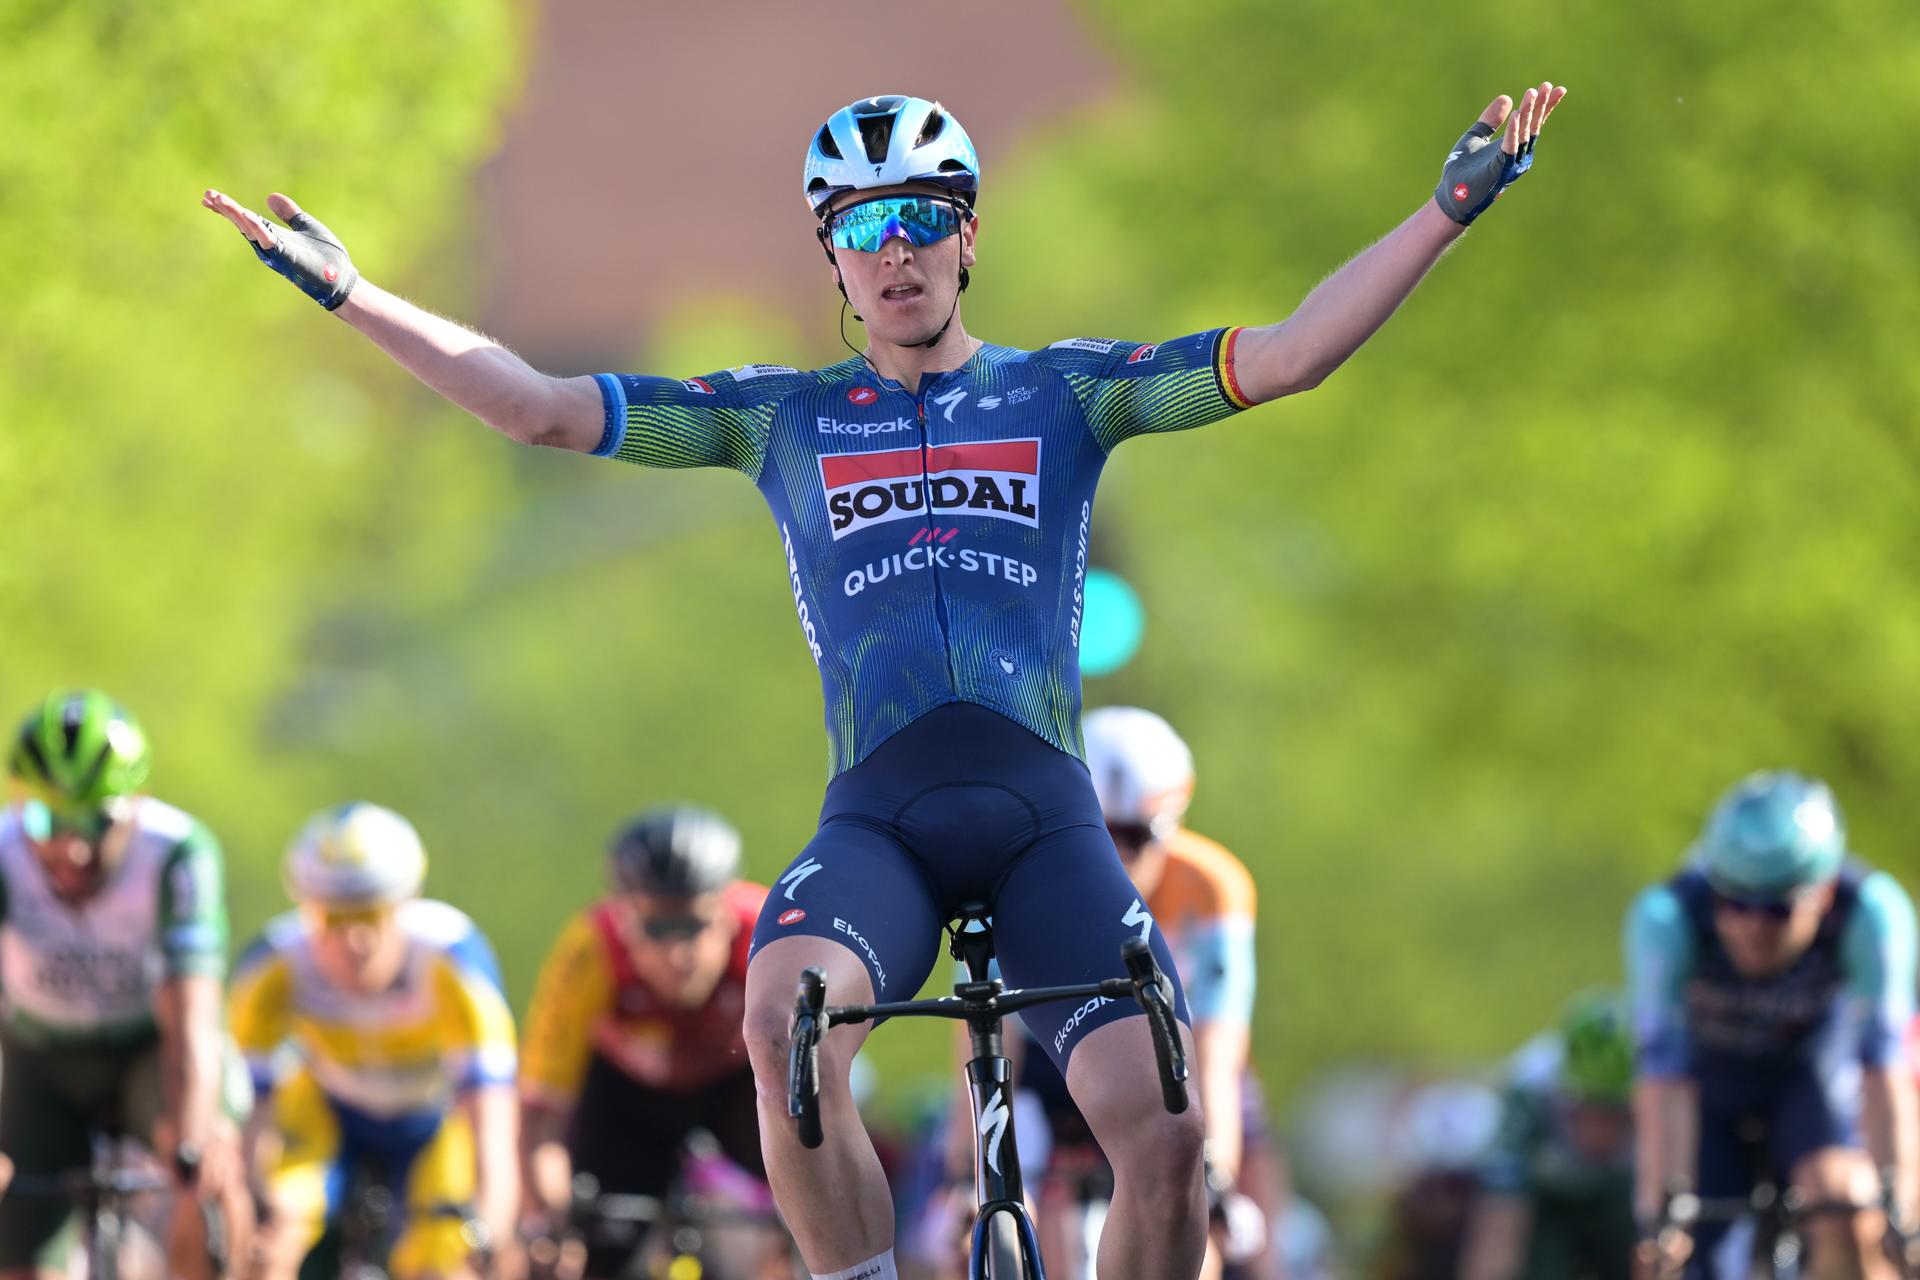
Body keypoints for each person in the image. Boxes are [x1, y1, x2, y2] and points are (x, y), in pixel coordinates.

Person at [204, 79, 1568, 1280]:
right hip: (882, 830)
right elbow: (540, 407)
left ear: (970, 235)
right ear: (835, 260)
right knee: (781, 1026)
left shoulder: (1069, 393)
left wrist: (1442, 214)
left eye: (922, 217)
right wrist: (351, 293)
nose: (896, 249)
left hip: (1046, 829)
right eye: (863, 228)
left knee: (1166, 1134)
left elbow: (1287, 356)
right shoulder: (777, 417)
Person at [991, 707, 1274, 1278]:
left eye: (1138, 836)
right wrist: (968, 1173)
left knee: (1212, 1184)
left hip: (1175, 1051)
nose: (1119, 856)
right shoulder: (1017, 879)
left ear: (1173, 822)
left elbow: (1217, 1054)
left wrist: (1213, 1178)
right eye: (1101, 834)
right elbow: (988, 1041)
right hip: (1052, 1060)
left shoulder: (1213, 886)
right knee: (989, 1217)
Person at [1624, 771, 1918, 1279]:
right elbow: (1664, 1082)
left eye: (1777, 909)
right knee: (1681, 1254)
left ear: (1823, 894)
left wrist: (1901, 1210)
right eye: (1734, 903)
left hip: (1812, 1074)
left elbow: (1884, 1071)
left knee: (1846, 1207)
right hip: (1708, 1087)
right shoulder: (1668, 917)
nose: (1753, 927)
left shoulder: (1871, 913)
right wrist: (1659, 1216)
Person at [0, 688, 251, 1280]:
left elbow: (192, 1014)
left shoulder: (177, 853)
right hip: (40, 1055)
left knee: (210, 1182)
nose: (71, 847)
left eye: (96, 820)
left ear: (138, 803)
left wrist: (192, 1139)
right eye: (46, 821)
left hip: (150, 1049)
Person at [228, 802, 519, 1280]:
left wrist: (489, 1228)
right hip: (325, 1114)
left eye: (371, 915)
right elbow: (249, 1107)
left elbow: (491, 1116)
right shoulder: (273, 964)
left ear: (408, 903)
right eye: (334, 921)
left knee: (449, 1262)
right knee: (273, 1240)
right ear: (306, 910)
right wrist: (253, 1206)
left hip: (431, 1123)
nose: (356, 941)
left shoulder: (452, 959)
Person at [518, 805, 773, 1279]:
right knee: (586, 1253)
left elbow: (814, 1099)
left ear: (725, 912)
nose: (678, 953)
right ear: (624, 919)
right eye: (657, 929)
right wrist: (549, 1223)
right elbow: (540, 1112)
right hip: (626, 1097)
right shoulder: (590, 949)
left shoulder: (767, 932)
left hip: (741, 1084)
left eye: (694, 925)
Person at [1460, 989, 1636, 1280]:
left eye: (1613, 1113)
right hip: (1547, 1205)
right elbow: (1499, 1220)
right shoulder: (1527, 1092)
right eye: (1587, 1109)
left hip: (1621, 1201)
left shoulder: (1663, 1093)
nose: (1599, 1129)